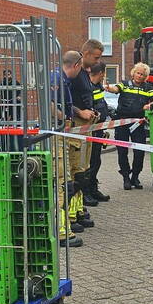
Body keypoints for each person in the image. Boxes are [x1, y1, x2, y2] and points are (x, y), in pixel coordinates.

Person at [50, 51, 88, 247]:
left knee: (66, 180)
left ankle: (63, 227)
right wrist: (61, 118)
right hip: (56, 136)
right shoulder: (57, 79)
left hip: (60, 135)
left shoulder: (62, 79)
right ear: (76, 65)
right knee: (61, 180)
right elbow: (46, 103)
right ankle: (60, 231)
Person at [106, 62, 153, 190]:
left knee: (139, 151)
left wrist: (150, 105)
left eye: (142, 74)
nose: (140, 76)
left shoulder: (148, 87)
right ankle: (126, 177)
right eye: (138, 73)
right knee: (122, 151)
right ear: (133, 73)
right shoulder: (125, 84)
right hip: (122, 122)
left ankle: (135, 176)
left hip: (138, 124)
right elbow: (115, 89)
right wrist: (109, 88)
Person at [75, 40, 104, 205]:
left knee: (86, 165)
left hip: (87, 126)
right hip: (76, 127)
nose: (97, 62)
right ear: (86, 54)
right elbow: (65, 101)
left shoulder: (85, 72)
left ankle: (80, 204)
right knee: (76, 168)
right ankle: (79, 201)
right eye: (96, 57)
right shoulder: (74, 71)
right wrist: (80, 112)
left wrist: (92, 111)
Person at [84, 61, 111, 203]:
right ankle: (86, 192)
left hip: (99, 128)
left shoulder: (98, 86)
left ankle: (93, 189)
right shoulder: (88, 87)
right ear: (101, 73)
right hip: (90, 129)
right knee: (89, 162)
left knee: (96, 160)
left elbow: (101, 105)